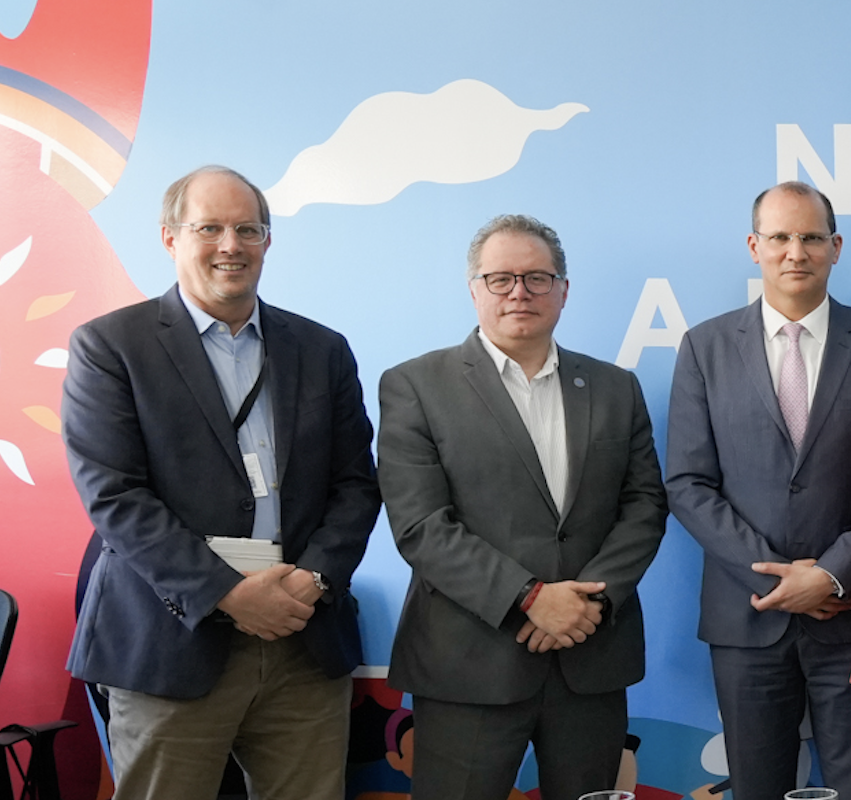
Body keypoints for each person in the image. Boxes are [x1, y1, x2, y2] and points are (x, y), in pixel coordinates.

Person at [62, 165, 381, 800]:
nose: (230, 245)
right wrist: (227, 593)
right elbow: (115, 496)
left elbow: (356, 484)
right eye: (209, 227)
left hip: (302, 636)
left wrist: (314, 579)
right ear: (169, 237)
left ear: (267, 241)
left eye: (247, 229)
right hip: (170, 640)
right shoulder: (111, 346)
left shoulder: (322, 349)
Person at [377, 214, 668, 800]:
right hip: (469, 665)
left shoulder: (616, 387)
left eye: (537, 278)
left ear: (563, 290)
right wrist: (531, 599)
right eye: (501, 278)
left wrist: (590, 602)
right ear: (474, 288)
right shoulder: (415, 385)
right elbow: (421, 527)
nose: (519, 292)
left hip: (590, 661)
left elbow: (644, 505)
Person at [666, 181, 851, 799]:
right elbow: (688, 483)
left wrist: (831, 575)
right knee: (757, 788)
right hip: (747, 618)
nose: (795, 252)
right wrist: (779, 582)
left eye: (810, 238)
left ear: (836, 247)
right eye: (779, 237)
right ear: (754, 246)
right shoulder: (706, 347)